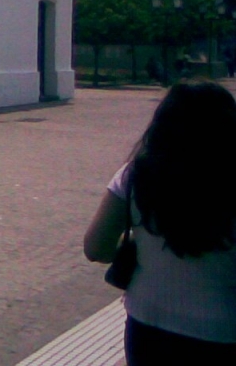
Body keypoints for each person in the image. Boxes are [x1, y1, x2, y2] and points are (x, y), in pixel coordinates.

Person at [83, 81, 236, 364]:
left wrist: (134, 241)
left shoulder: (135, 175)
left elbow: (96, 248)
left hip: (147, 327)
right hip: (221, 334)